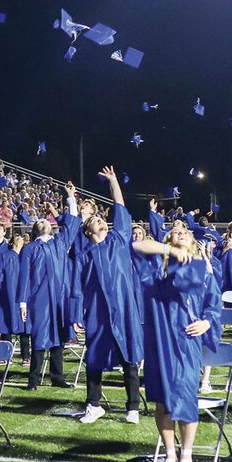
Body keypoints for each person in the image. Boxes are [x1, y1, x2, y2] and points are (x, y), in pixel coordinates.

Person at [131, 219, 221, 462]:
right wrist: (168, 251)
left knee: (185, 394)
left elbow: (213, 306)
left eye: (184, 232)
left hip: (185, 340)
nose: (180, 233)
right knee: (162, 399)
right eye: (174, 232)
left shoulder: (202, 270)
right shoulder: (156, 270)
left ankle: (187, 455)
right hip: (159, 339)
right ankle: (170, 453)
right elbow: (136, 246)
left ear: (192, 242)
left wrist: (207, 322)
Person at [71, 167, 143, 425]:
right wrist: (76, 314)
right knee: (94, 357)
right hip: (98, 311)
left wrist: (113, 181)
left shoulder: (119, 240)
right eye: (95, 221)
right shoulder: (84, 255)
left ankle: (133, 407)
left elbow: (120, 207)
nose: (100, 220)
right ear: (88, 231)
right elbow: (77, 287)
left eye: (102, 219)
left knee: (128, 355)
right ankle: (93, 404)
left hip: (123, 307)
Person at [18, 182, 79, 389]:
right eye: (40, 220)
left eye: (46, 219)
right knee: (40, 335)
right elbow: (24, 276)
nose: (44, 220)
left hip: (59, 297)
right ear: (36, 229)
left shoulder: (60, 242)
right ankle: (33, 379)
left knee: (58, 337)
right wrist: (22, 302)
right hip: (40, 298)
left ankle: (57, 377)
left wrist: (70, 197)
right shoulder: (29, 249)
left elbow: (73, 223)